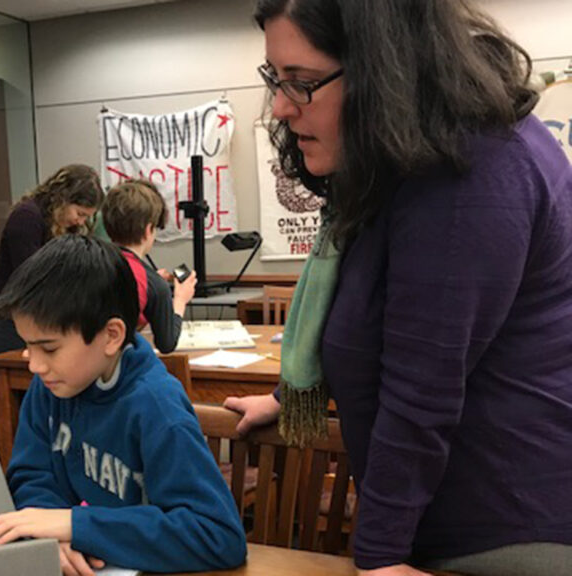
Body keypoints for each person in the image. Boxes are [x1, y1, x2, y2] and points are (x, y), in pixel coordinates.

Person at [225, 1, 572, 575]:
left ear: (384, 68)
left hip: (505, 521)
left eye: (304, 83)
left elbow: (422, 391)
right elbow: (370, 308)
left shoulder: (468, 173)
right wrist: (290, 397)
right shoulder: (406, 152)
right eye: (276, 79)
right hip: (448, 510)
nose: (281, 108)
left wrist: (379, 556)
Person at [0, 235, 247, 576]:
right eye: (28, 346)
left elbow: (217, 534)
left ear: (112, 336)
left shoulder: (157, 407)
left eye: (49, 348)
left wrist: (76, 525)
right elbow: (31, 474)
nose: (34, 365)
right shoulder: (50, 386)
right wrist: (50, 531)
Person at [0, 165, 104, 452]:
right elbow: (35, 282)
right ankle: (3, 470)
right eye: (79, 212)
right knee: (8, 406)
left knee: (40, 405)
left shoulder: (59, 224)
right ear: (63, 199)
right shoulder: (27, 217)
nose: (80, 220)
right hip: (5, 320)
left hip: (34, 319)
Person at [101, 179, 197, 353]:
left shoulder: (91, 261)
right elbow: (167, 344)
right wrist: (180, 300)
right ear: (148, 229)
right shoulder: (153, 284)